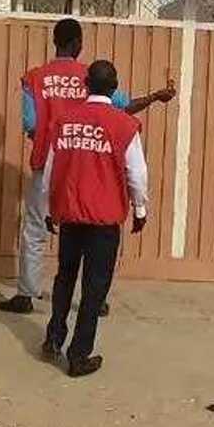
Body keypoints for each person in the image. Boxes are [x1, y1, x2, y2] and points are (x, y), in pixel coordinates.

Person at [0, 16, 174, 314]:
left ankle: (26, 295)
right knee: (97, 234)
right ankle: (95, 300)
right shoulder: (90, 76)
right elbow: (124, 107)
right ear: (78, 44)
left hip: (50, 166)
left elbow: (30, 123)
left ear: (55, 42)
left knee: (36, 230)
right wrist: (156, 96)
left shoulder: (35, 78)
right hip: (93, 168)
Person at [41, 60, 147, 377]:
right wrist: (140, 209)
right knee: (94, 288)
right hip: (103, 221)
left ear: (85, 83)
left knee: (65, 278)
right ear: (114, 89)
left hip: (71, 216)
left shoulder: (64, 121)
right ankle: (78, 355)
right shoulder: (124, 125)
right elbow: (137, 174)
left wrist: (50, 209)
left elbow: (51, 170)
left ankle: (53, 339)